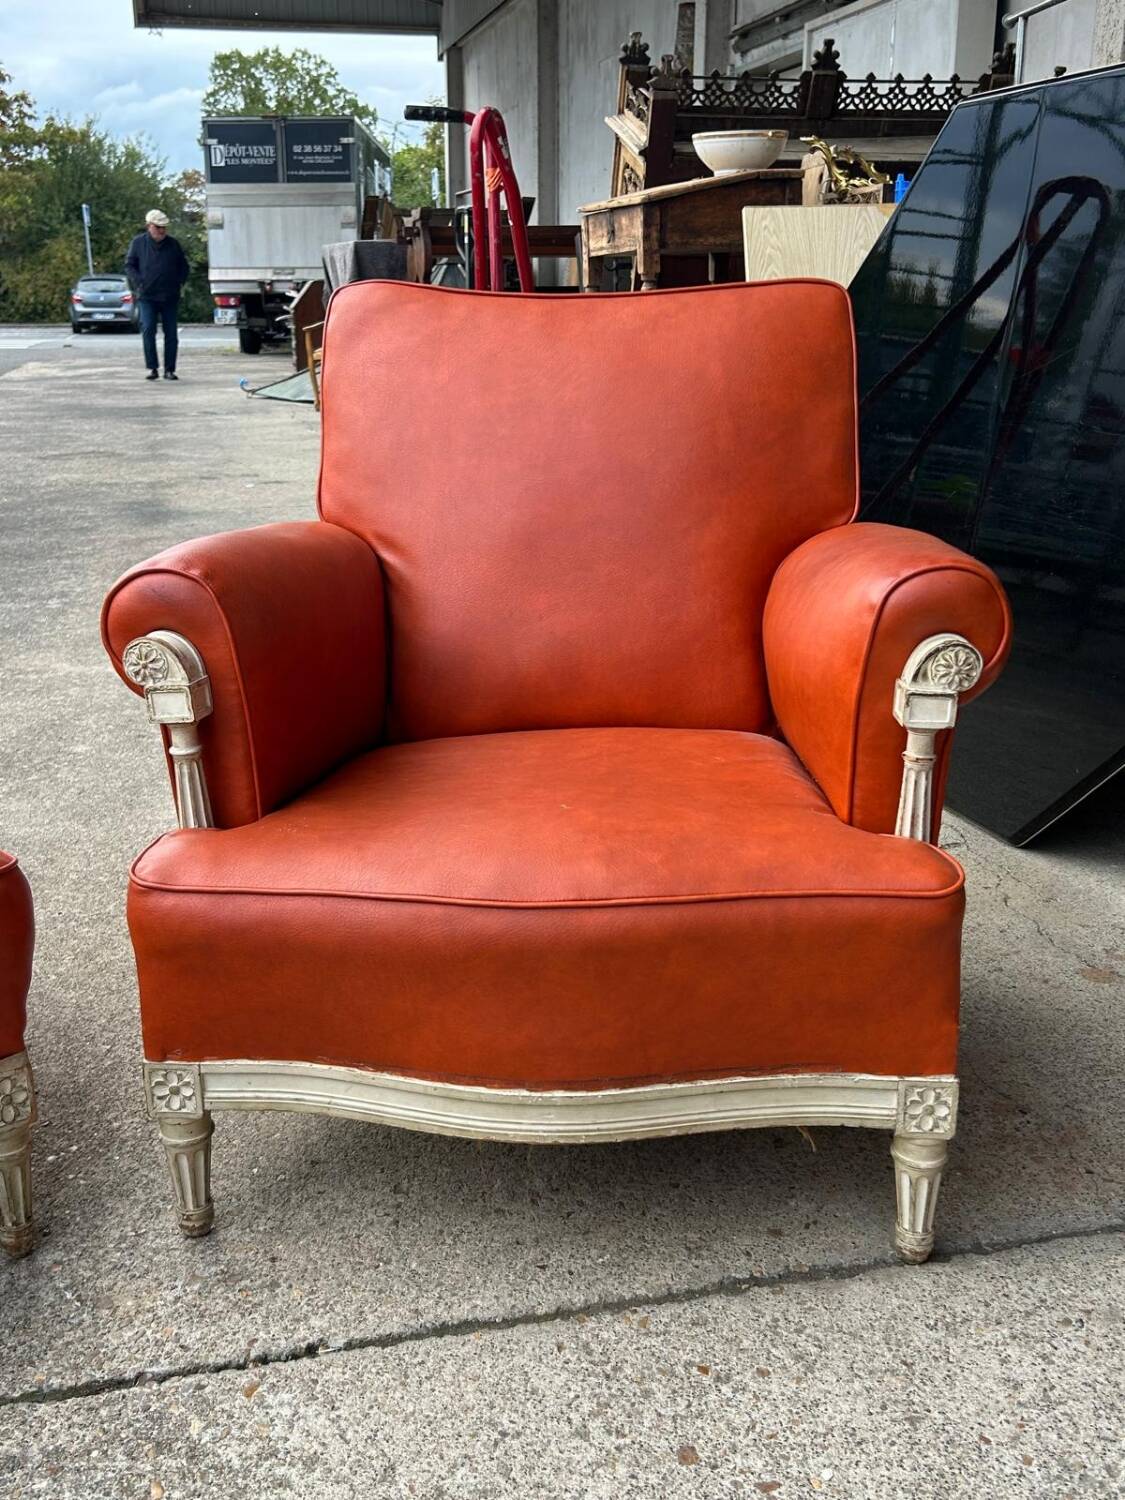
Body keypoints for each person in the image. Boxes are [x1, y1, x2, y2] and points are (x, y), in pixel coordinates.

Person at [125, 210, 190, 382]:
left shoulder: (173, 244)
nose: (162, 230)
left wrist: (179, 282)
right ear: (149, 226)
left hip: (169, 296)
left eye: (164, 227)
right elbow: (130, 265)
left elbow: (183, 266)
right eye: (158, 227)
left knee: (171, 334)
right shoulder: (138, 243)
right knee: (148, 329)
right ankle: (152, 368)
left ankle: (170, 369)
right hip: (147, 296)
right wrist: (139, 282)